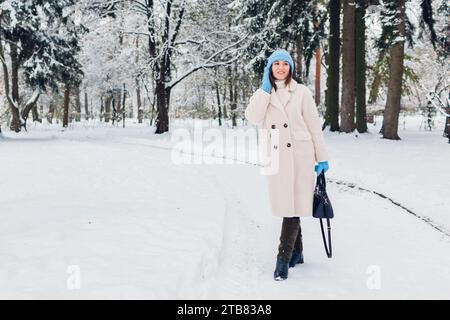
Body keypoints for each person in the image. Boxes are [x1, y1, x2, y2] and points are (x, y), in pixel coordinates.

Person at [244, 49, 330, 281]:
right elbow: (252, 117)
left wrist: (321, 157)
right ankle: (298, 252)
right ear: (269, 69)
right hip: (277, 157)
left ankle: (282, 260)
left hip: (300, 156)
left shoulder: (301, 92)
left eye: (285, 63)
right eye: (275, 64)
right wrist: (264, 91)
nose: (280, 68)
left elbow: (314, 126)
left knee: (292, 207)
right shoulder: (264, 93)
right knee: (289, 205)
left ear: (290, 67)